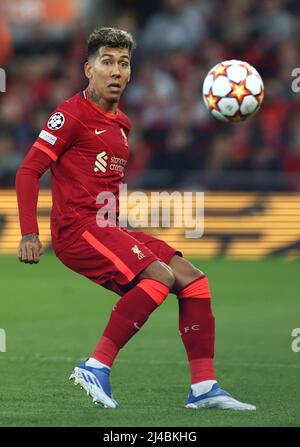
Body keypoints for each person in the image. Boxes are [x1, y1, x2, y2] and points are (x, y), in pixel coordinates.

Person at [16, 27, 255, 410]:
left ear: (130, 73)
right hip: (77, 229)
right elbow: (27, 171)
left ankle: (204, 387)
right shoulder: (69, 116)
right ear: (88, 69)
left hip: (109, 225)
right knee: (158, 276)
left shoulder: (123, 124)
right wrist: (30, 232)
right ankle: (96, 366)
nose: (116, 71)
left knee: (192, 281)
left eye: (123, 63)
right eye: (107, 62)